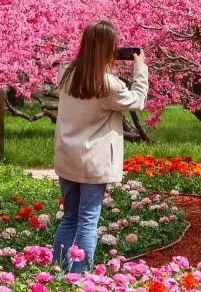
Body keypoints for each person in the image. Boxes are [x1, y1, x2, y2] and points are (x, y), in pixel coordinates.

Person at [53, 20, 148, 273]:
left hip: (68, 158)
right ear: (110, 49)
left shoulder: (66, 73)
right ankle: (80, 275)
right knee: (87, 222)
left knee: (70, 218)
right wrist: (140, 69)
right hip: (93, 162)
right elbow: (138, 101)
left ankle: (58, 271)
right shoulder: (108, 84)